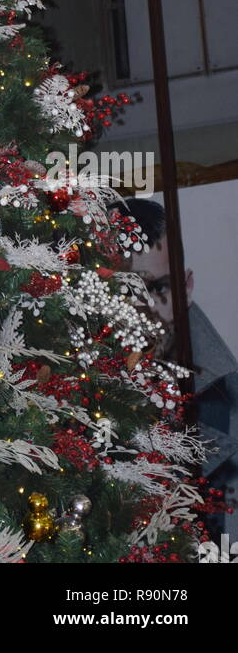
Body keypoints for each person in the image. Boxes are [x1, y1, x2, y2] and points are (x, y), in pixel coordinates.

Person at [122, 196, 238, 545]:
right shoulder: (58, 405)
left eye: (156, 288)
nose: (140, 310)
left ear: (185, 287)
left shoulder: (230, 410)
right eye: (122, 290)